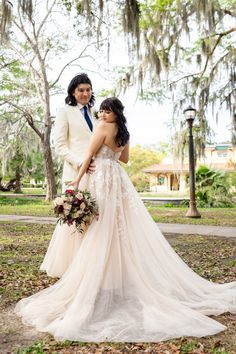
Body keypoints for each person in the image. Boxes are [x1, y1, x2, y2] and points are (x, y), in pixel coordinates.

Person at [15, 97, 236, 342]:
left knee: (101, 228)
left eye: (106, 112)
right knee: (114, 227)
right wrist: (111, 152)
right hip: (117, 178)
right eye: (101, 112)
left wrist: (76, 182)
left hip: (100, 176)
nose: (102, 115)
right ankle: (111, 277)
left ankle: (101, 280)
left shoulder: (101, 128)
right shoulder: (124, 131)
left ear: (115, 112)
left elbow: (88, 156)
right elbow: (125, 159)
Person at [40, 73, 97, 278]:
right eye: (81, 90)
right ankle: (72, 267)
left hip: (97, 174)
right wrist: (81, 162)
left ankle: (91, 265)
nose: (85, 93)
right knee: (77, 219)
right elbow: (61, 147)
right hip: (76, 173)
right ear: (73, 92)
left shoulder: (96, 113)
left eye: (88, 89)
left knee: (96, 219)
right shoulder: (64, 112)